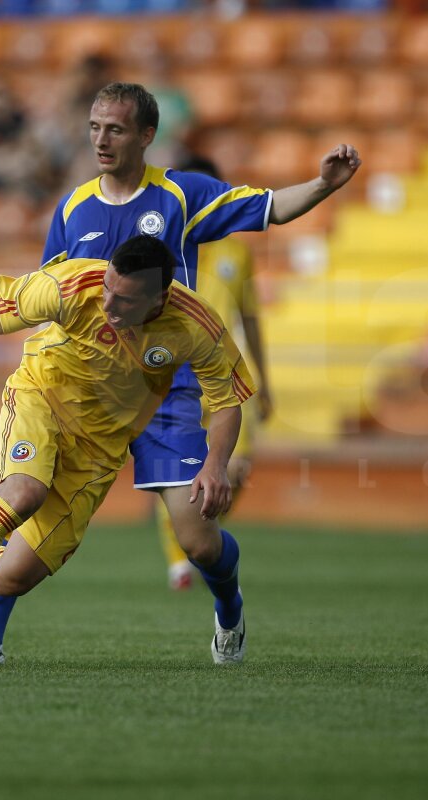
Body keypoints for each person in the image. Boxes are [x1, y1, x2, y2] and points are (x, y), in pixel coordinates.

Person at [0, 82, 359, 667]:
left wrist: (323, 185)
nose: (101, 140)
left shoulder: (179, 195)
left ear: (147, 135)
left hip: (164, 388)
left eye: (116, 129)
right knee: (25, 501)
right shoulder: (73, 207)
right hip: (85, 387)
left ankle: (229, 607)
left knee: (197, 539)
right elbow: (48, 295)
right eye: (95, 127)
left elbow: (270, 207)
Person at [0, 235, 254, 662]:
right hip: (41, 398)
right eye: (108, 289)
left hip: (99, 447)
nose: (108, 304)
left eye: (124, 300)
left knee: (13, 577)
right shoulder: (72, 285)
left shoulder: (196, 325)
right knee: (22, 493)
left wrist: (216, 465)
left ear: (159, 298)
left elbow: (227, 403)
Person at [160, 153, 273, 591]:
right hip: (174, 373)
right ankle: (180, 561)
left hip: (225, 373)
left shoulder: (236, 252)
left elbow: (251, 317)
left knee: (235, 468)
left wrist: (265, 380)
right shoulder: (164, 246)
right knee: (173, 468)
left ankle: (201, 535)